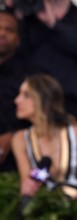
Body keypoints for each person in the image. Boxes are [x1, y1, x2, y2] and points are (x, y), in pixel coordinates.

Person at [15, 0, 77, 122]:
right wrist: (17, 13)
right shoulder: (31, 16)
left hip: (67, 100)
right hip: (32, 98)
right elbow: (17, 51)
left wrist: (54, 25)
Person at [12, 74, 77, 199]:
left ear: (44, 101)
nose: (16, 100)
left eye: (26, 95)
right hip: (45, 211)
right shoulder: (20, 139)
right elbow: (28, 187)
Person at [0, 8, 28, 172]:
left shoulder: (28, 77)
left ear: (17, 39)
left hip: (15, 162)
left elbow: (37, 118)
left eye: (8, 30)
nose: (2, 33)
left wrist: (11, 137)